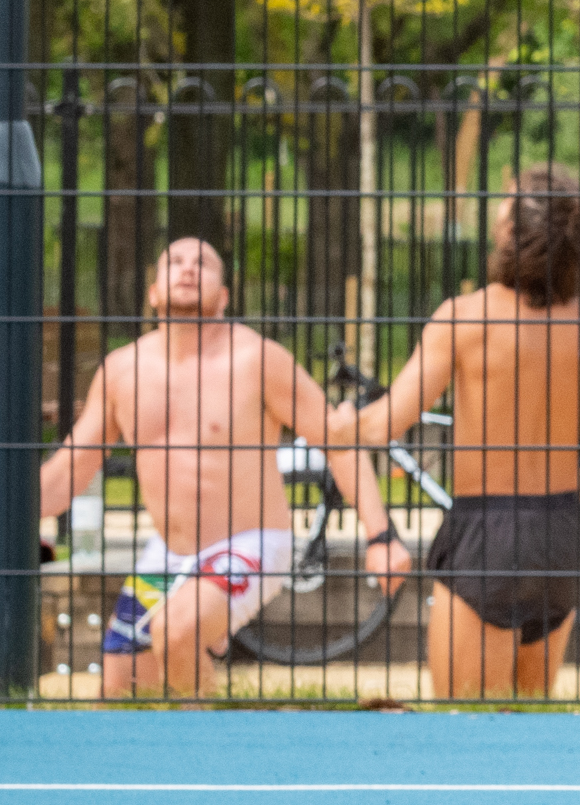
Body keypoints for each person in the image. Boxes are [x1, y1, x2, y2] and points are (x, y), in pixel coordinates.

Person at [35, 237, 396, 702]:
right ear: (153, 292)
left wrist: (381, 535)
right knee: (121, 687)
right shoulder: (122, 370)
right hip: (170, 555)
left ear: (223, 297)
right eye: (175, 261)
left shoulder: (257, 359)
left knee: (176, 630)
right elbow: (70, 469)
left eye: (202, 263)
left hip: (250, 543)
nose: (188, 269)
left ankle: (205, 738)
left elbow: (338, 442)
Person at [339, 166, 580, 702]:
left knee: (465, 719)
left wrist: (338, 422)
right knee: (531, 714)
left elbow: (385, 423)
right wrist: (568, 490)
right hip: (558, 529)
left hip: (487, 527)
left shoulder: (465, 318)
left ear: (510, 233)